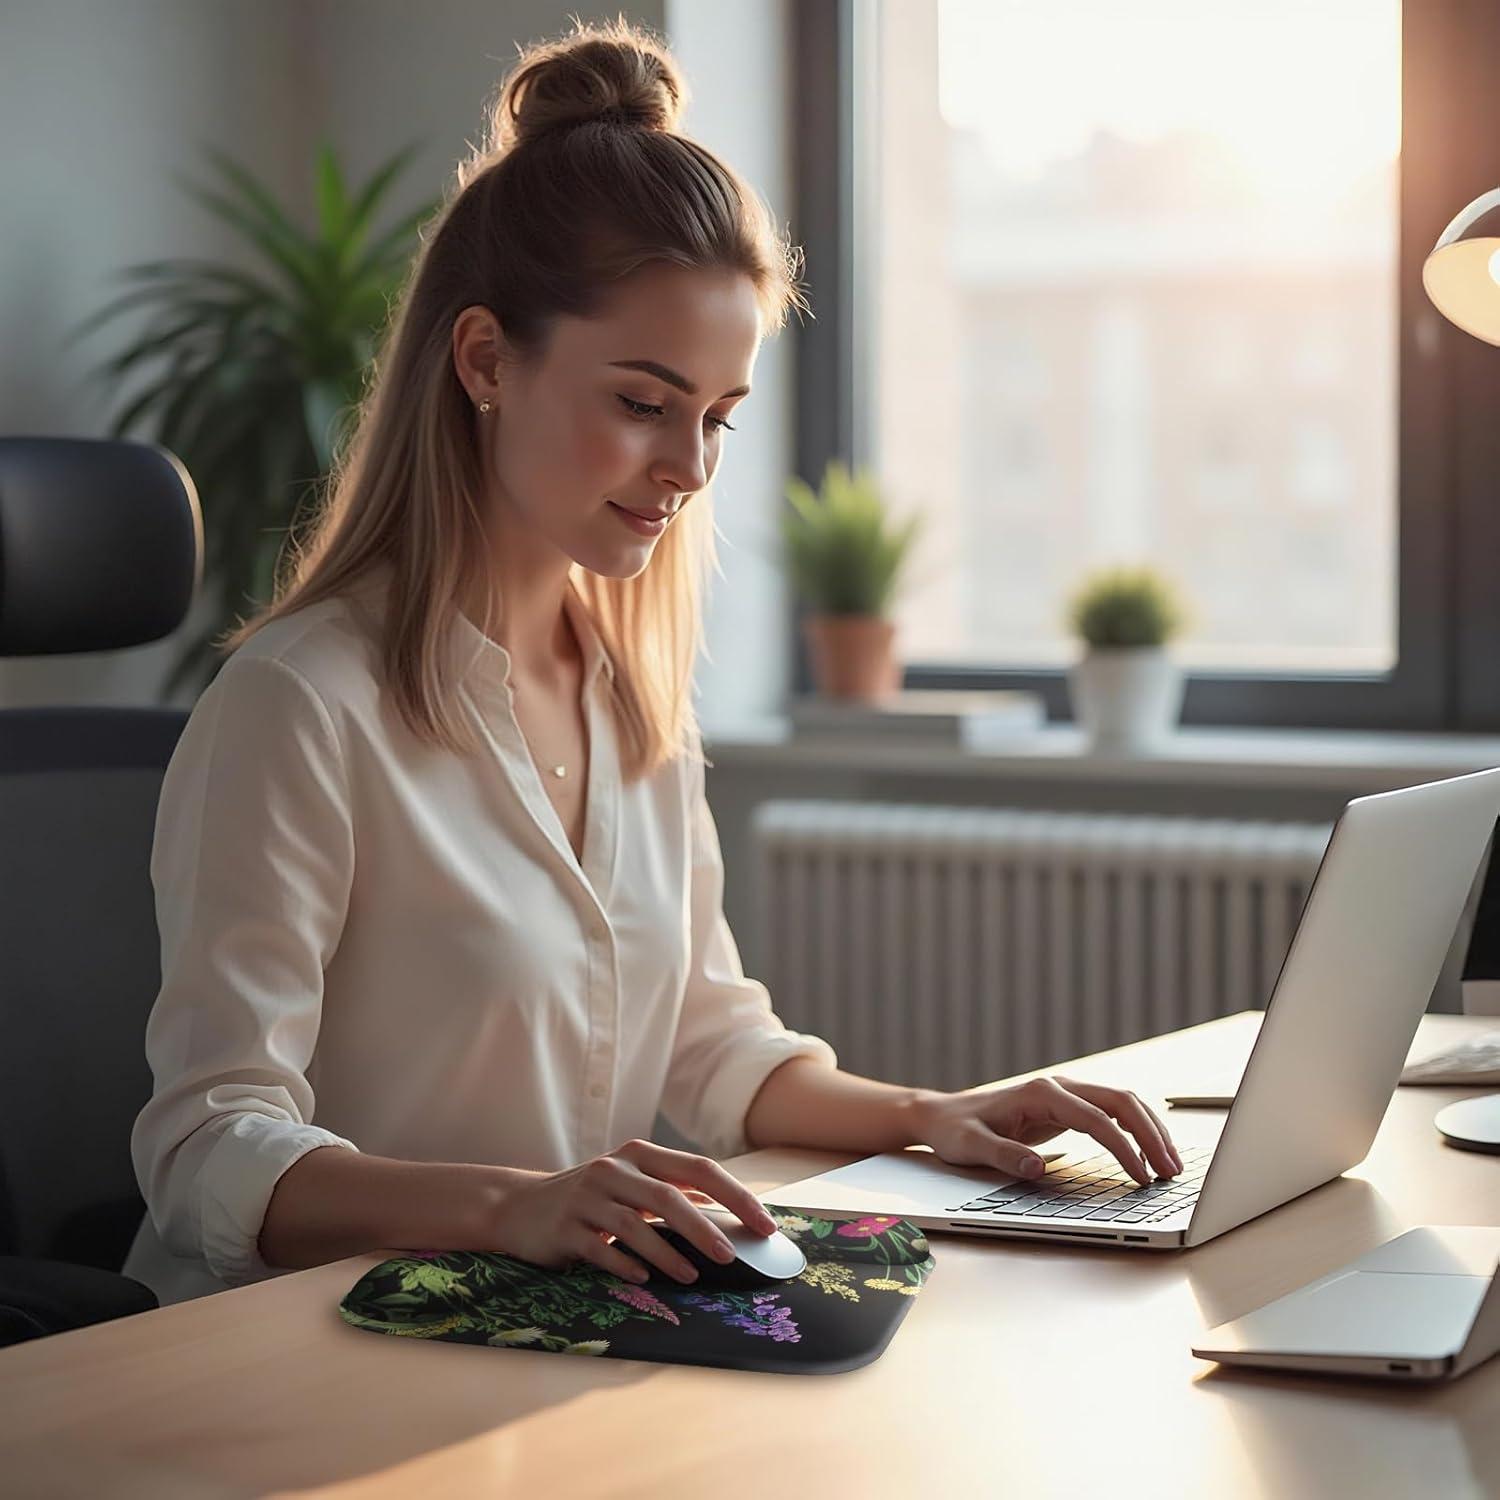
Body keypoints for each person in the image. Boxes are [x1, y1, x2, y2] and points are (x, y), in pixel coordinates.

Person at [123, 17, 1181, 1309]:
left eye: (717, 418)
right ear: (484, 361)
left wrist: (933, 1114)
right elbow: (207, 1150)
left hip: (527, 1338)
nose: (689, 468)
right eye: (643, 403)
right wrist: (518, 1206)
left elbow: (709, 1041)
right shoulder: (299, 706)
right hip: (289, 1357)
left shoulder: (632, 702)